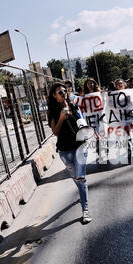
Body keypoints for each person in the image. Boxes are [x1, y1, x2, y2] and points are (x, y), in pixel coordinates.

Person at [47, 82, 92, 224]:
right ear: (54, 96)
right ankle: (81, 192)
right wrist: (61, 118)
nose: (63, 93)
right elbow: (55, 132)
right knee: (76, 178)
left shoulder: (73, 106)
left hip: (80, 147)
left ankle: (85, 210)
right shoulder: (52, 112)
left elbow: (81, 122)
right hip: (65, 151)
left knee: (81, 178)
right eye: (60, 92)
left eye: (64, 90)